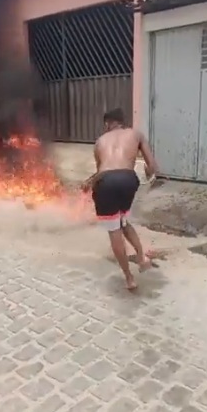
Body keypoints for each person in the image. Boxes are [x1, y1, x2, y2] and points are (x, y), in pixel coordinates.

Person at [82, 108, 161, 291]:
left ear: (107, 124)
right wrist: (150, 176)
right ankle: (141, 257)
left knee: (114, 230)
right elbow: (152, 166)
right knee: (123, 220)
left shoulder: (100, 141)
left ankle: (129, 278)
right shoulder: (136, 134)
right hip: (128, 179)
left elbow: (103, 172)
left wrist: (88, 184)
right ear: (122, 121)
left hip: (105, 183)